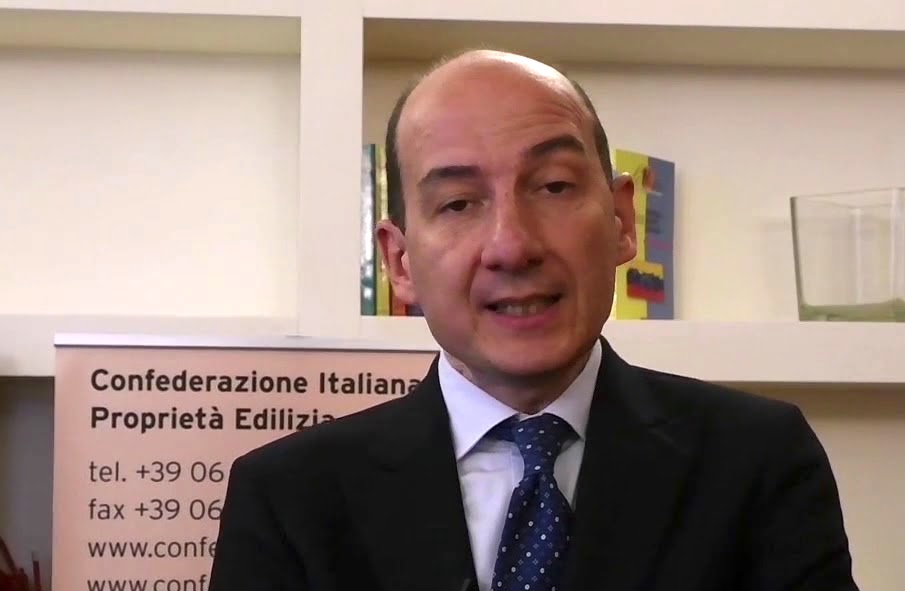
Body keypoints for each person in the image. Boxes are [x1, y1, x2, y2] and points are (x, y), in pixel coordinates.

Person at [208, 49, 859, 591]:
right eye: (458, 203)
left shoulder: (757, 461)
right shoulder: (290, 497)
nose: (512, 245)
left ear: (621, 220)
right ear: (399, 261)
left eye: (553, 186)